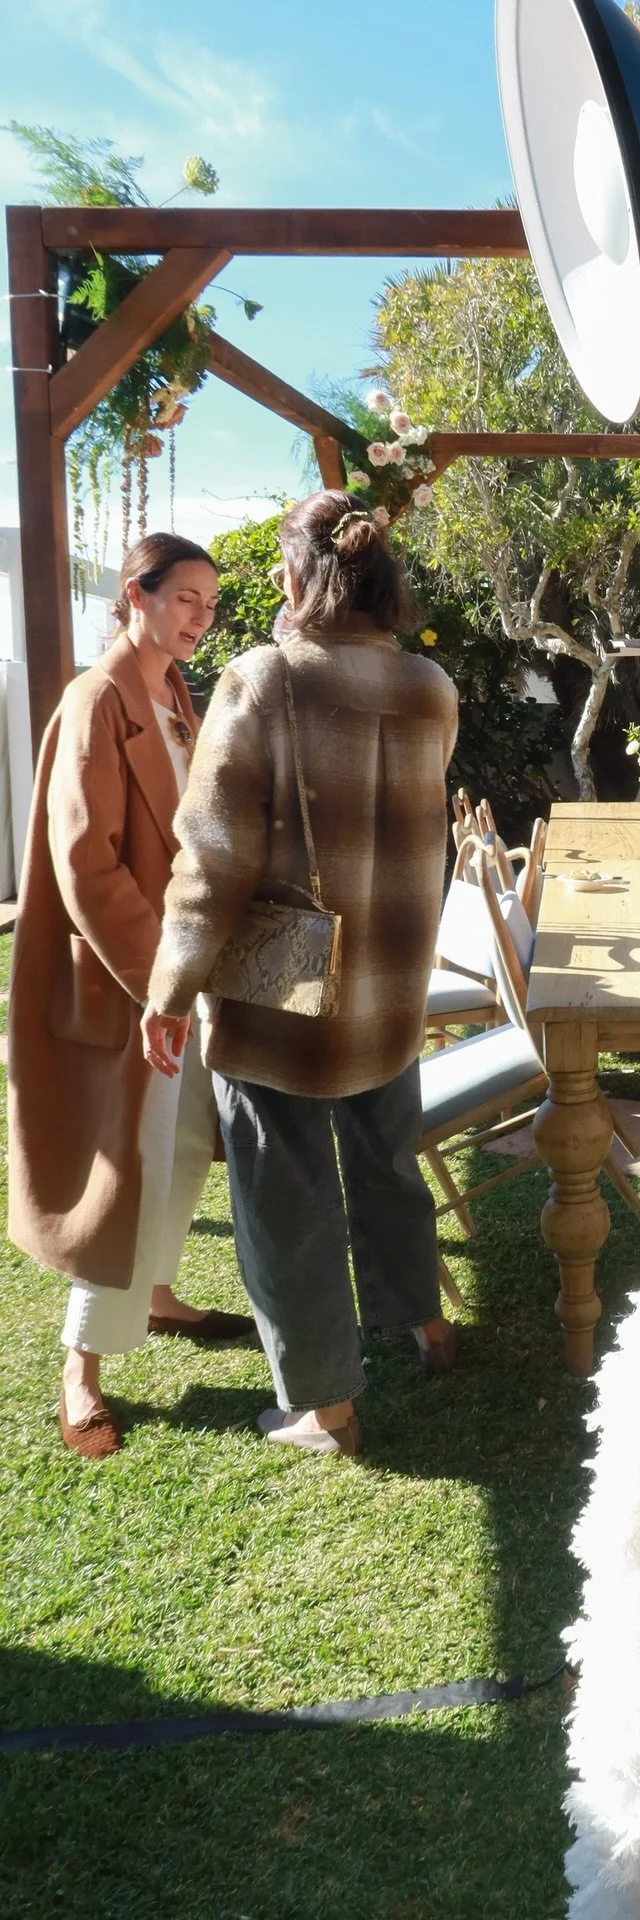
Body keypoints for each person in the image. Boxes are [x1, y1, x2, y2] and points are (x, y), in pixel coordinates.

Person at [144, 491, 460, 1457]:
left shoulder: (260, 680)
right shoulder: (430, 687)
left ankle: (325, 1406)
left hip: (282, 990)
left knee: (286, 1196)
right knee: (386, 1156)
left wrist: (169, 989)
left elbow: (211, 861)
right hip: (390, 977)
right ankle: (425, 1322)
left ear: (299, 575)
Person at [8, 533, 255, 1462]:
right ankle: (81, 1367)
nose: (200, 615)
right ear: (134, 595)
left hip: (184, 972)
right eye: (185, 596)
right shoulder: (95, 700)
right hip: (128, 978)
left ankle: (155, 1296)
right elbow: (86, 865)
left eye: (209, 600)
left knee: (186, 1135)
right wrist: (162, 983)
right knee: (130, 1157)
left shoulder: (177, 698)